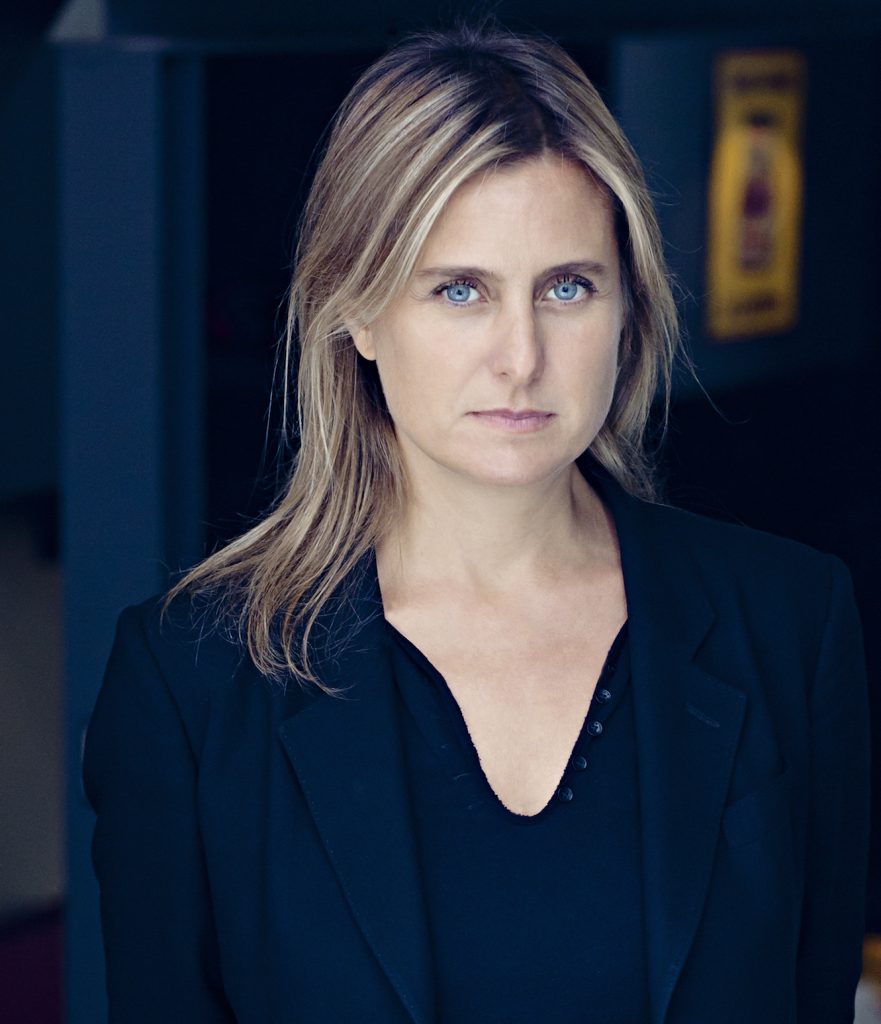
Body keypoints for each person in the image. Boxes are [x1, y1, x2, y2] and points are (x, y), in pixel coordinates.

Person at [83, 24, 871, 1024]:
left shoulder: (790, 623)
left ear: (627, 309)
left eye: (566, 288)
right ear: (357, 313)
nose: (520, 357)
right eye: (459, 290)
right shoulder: (193, 680)